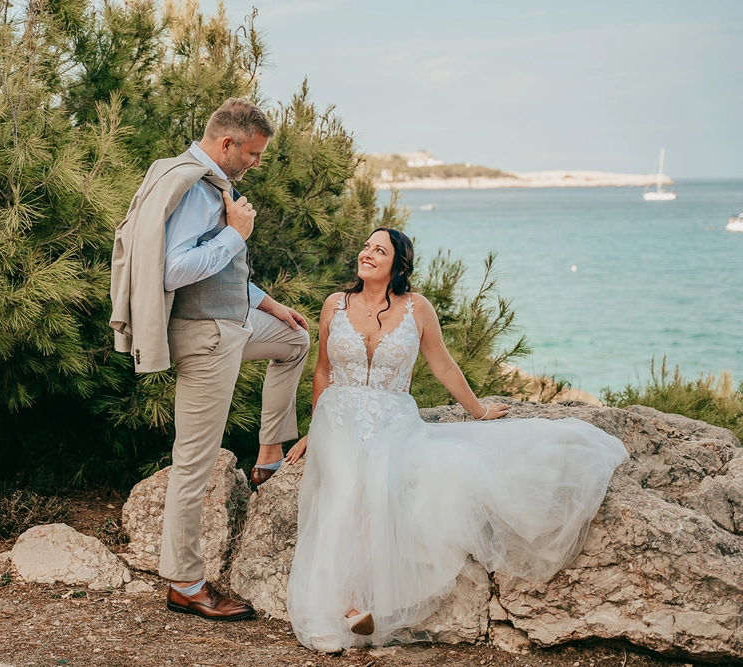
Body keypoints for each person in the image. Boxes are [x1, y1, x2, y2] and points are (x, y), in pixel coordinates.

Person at [284, 228, 628, 653]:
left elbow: (444, 367)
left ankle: (362, 604)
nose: (367, 254)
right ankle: (332, 610)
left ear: (398, 265)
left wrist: (479, 410)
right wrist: (313, 429)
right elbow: (322, 371)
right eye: (367, 247)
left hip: (393, 419)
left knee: (380, 487)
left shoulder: (418, 309)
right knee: (344, 491)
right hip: (337, 417)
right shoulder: (334, 305)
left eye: (380, 250)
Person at [110, 99, 310, 622]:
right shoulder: (197, 187)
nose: (257, 162)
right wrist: (235, 234)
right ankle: (186, 583)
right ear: (227, 144)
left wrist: (269, 304)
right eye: (254, 152)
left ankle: (269, 457)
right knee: (194, 464)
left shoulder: (199, 181)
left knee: (294, 342)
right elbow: (175, 270)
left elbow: (223, 274)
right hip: (206, 338)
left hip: (231, 323)